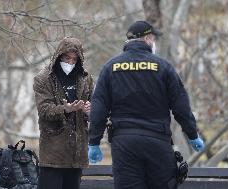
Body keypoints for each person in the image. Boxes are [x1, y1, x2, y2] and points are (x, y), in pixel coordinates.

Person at [88, 21, 205, 189]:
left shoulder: (110, 68)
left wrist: (94, 141)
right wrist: (192, 134)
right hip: (157, 141)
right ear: (148, 39)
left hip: (124, 143)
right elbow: (181, 105)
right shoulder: (163, 67)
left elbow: (99, 107)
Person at [33, 37, 94, 189]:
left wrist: (90, 111)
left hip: (77, 153)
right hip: (53, 153)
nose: (70, 63)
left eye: (74, 59)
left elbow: (95, 106)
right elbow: (44, 109)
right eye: (67, 58)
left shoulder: (85, 78)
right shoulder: (43, 78)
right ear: (59, 56)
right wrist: (65, 109)